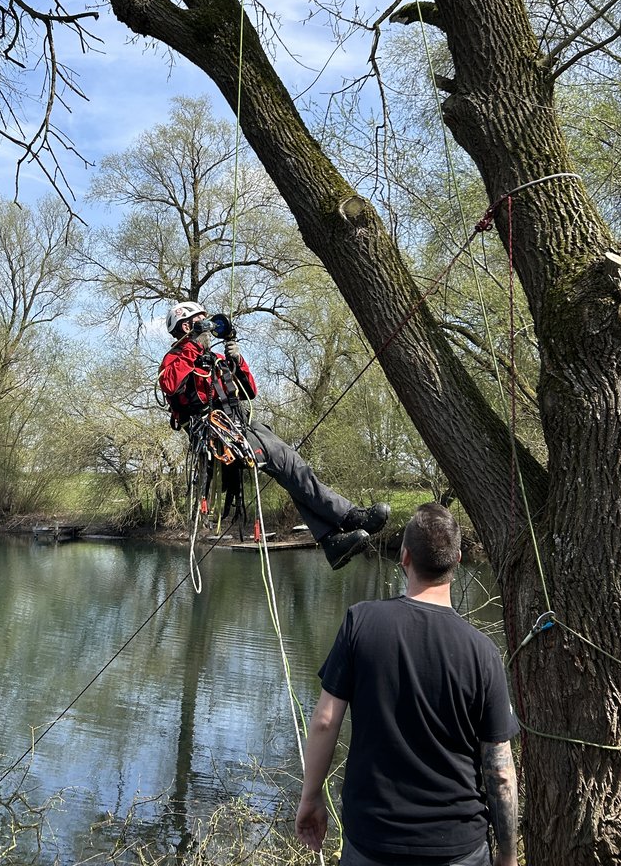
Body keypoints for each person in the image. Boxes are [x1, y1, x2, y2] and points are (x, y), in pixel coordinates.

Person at [296, 502, 520, 866]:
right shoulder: (483, 653)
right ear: (457, 560)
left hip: (373, 842)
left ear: (404, 557)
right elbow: (500, 771)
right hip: (458, 848)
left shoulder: (361, 623)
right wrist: (508, 857)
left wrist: (311, 798)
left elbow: (324, 721)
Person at [159, 300, 389, 570]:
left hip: (243, 423)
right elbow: (171, 384)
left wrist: (237, 360)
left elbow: (250, 390)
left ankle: (331, 542)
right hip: (216, 434)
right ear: (188, 325)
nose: (209, 329)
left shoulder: (217, 360)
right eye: (203, 322)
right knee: (287, 463)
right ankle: (349, 516)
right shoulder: (174, 359)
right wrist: (195, 349)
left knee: (293, 468)